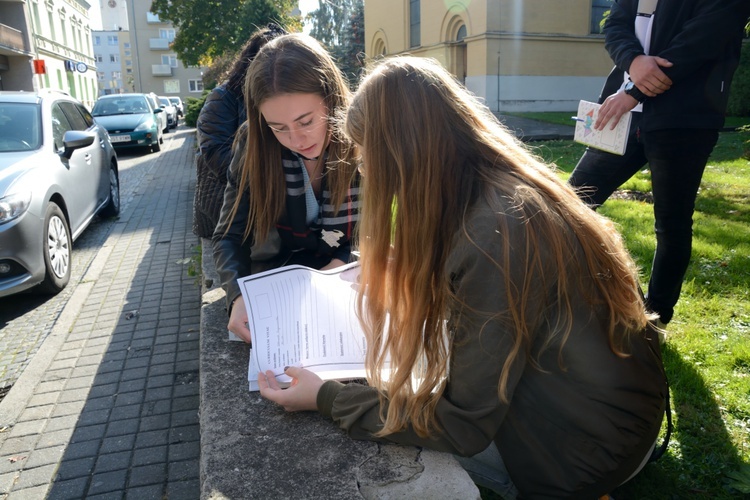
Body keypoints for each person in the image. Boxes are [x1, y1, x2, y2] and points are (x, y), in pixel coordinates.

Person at [257, 56, 669, 498]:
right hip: (605, 415)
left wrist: (325, 398)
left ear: (404, 151)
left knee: (388, 437)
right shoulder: (499, 191)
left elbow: (462, 425)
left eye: (366, 150)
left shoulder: (493, 235)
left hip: (583, 451)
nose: (364, 167)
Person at [568, 0, 750, 330]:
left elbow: (699, 43)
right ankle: (588, 295)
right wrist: (632, 61)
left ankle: (654, 320)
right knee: (569, 205)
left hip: (683, 120)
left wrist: (635, 91)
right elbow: (615, 25)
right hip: (622, 116)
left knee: (671, 224)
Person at [213, 33, 360, 343]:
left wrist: (342, 262)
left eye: (306, 121)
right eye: (278, 128)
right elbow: (229, 234)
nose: (296, 140)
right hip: (279, 280)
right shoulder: (253, 144)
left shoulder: (365, 139)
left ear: (331, 97)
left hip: (349, 284)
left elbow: (389, 226)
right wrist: (238, 296)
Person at [192, 23, 287, 239]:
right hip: (228, 204)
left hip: (274, 208)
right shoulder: (223, 98)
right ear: (251, 62)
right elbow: (215, 153)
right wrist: (268, 176)